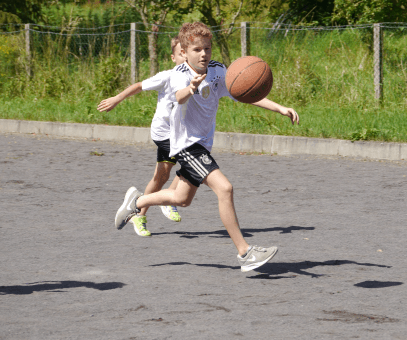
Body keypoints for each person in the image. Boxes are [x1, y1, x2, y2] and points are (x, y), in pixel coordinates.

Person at [114, 22, 299, 272]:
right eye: (197, 49)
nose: (204, 54)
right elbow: (179, 96)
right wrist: (191, 88)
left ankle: (136, 203)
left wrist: (280, 108)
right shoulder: (179, 73)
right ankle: (245, 253)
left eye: (208, 49)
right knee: (225, 188)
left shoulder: (217, 70)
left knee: (181, 199)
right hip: (187, 146)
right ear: (185, 51)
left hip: (202, 144)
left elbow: (244, 92)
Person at [98, 37, 186, 237]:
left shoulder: (197, 75)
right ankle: (168, 201)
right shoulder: (167, 76)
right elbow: (139, 86)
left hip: (180, 134)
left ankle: (138, 214)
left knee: (161, 176)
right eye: (181, 53)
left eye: (187, 52)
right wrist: (117, 98)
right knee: (192, 164)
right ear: (173, 58)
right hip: (164, 133)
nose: (185, 56)